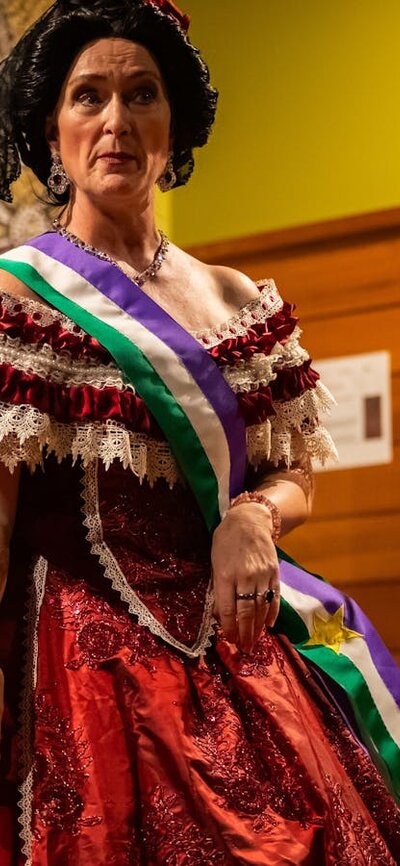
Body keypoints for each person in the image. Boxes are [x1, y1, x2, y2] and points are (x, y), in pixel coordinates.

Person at [0, 1, 399, 864]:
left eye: (141, 93)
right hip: (78, 665)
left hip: (240, 646)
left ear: (173, 123)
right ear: (51, 130)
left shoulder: (234, 300)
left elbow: (291, 472)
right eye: (88, 96)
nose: (116, 120)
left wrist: (255, 516)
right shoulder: (17, 298)